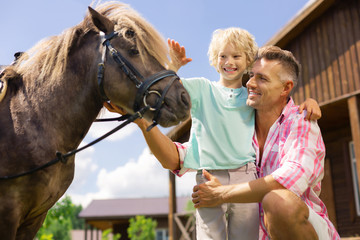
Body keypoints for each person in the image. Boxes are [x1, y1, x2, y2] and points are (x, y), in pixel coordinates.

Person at [105, 28, 321, 240]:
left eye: (236, 56)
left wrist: (308, 103)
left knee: (245, 235)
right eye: (223, 56)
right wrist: (174, 67)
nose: (229, 61)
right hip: (208, 176)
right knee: (210, 235)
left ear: (247, 60)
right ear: (214, 60)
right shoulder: (202, 88)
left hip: (245, 174)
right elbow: (167, 91)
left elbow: (280, 107)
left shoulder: (250, 98)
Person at [190, 45, 340, 239]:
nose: (250, 83)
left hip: (305, 228)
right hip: (254, 234)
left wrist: (221, 193)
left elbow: (288, 181)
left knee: (279, 202)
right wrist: (145, 125)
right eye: (251, 75)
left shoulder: (301, 123)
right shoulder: (237, 123)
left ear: (285, 88)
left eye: (262, 78)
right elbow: (189, 151)